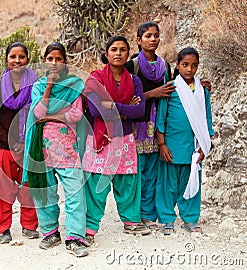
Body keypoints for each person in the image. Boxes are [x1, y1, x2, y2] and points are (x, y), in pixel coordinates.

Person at [82, 35, 150, 247]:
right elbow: (94, 109)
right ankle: (89, 227)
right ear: (106, 53)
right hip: (101, 138)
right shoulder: (96, 78)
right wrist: (124, 108)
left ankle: (131, 221)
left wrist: (112, 107)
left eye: (122, 49)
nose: (118, 53)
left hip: (125, 138)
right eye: (114, 49)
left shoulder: (134, 80)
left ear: (128, 53)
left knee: (128, 180)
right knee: (96, 184)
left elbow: (139, 111)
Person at [23, 42, 89, 257]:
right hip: (42, 149)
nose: (54, 63)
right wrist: (49, 88)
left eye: (58, 59)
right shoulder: (39, 86)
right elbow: (38, 113)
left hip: (67, 147)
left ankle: (75, 237)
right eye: (50, 59)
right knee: (45, 191)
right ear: (45, 61)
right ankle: (50, 232)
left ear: (65, 62)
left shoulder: (74, 86)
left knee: (75, 191)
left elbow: (75, 115)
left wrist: (51, 116)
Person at [155, 47, 214, 235]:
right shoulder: (171, 88)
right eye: (185, 65)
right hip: (171, 145)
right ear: (178, 65)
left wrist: (206, 144)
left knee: (191, 181)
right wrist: (162, 144)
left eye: (194, 65)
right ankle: (167, 219)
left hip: (193, 146)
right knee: (168, 184)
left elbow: (207, 118)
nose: (190, 69)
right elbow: (161, 118)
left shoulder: (202, 91)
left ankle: (190, 219)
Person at [0, 42, 39, 244]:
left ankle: (29, 225)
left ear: (28, 59)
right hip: (3, 147)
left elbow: (39, 114)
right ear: (6, 59)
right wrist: (14, 141)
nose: (17, 61)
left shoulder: (36, 85)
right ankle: (3, 228)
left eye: (21, 57)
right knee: (3, 191)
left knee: (29, 187)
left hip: (29, 146)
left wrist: (27, 142)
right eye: (13, 56)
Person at [124, 22, 174, 230]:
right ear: (138, 40)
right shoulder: (131, 66)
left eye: (156, 35)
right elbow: (125, 99)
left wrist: (201, 85)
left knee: (153, 172)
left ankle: (148, 214)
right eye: (147, 36)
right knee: (136, 172)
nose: (152, 39)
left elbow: (173, 90)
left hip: (157, 126)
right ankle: (133, 215)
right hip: (136, 126)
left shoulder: (165, 67)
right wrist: (152, 94)